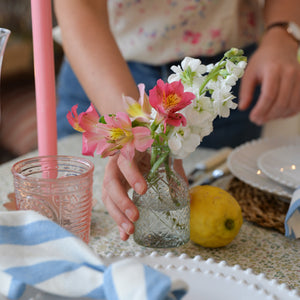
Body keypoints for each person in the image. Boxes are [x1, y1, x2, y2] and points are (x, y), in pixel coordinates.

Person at [53, 0, 300, 241]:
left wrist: (283, 31)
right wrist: (133, 130)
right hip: (102, 67)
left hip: (216, 78)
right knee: (75, 219)